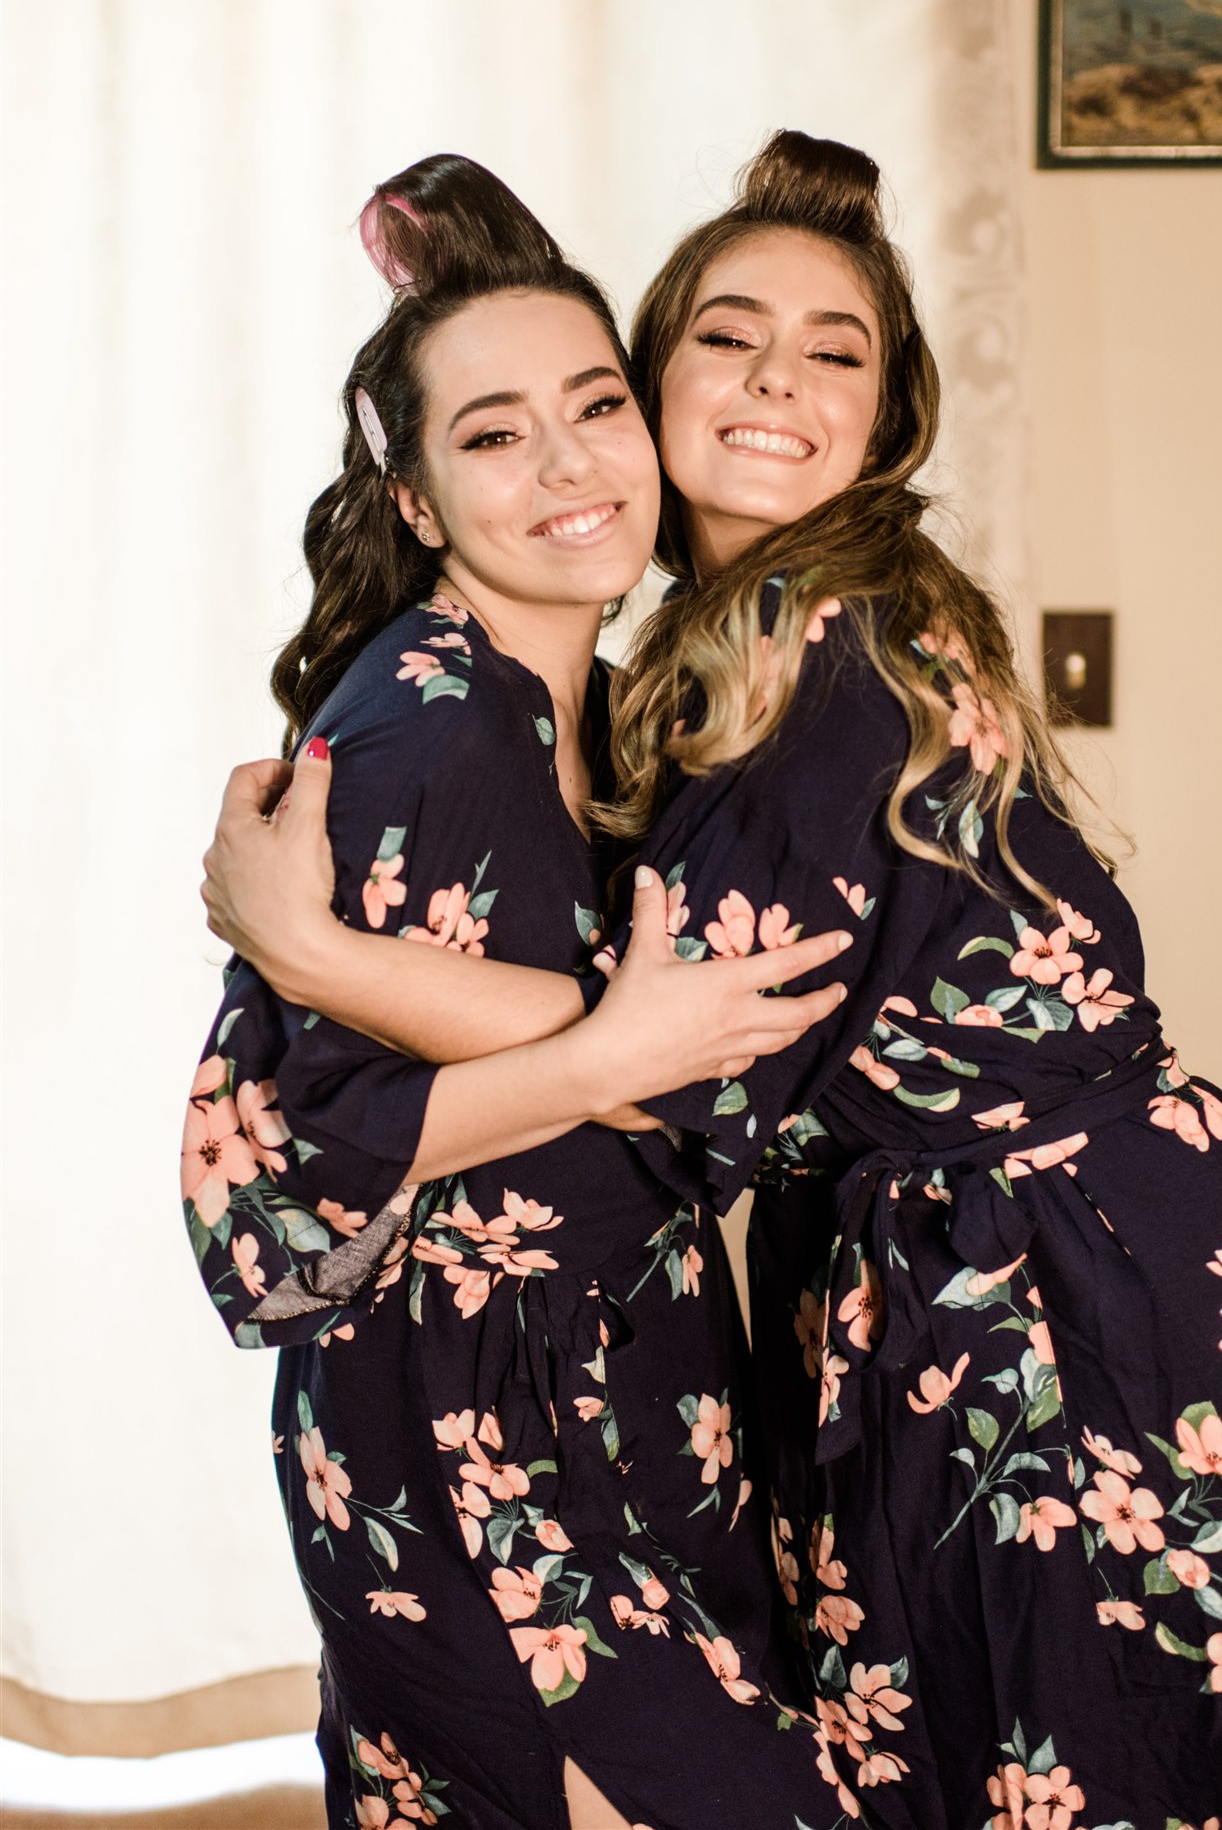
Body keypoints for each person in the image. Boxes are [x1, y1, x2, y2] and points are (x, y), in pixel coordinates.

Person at [203, 133, 1222, 1830]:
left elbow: (693, 1047)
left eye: (837, 353)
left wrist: (312, 950)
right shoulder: (626, 680)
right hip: (946, 1279)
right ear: (664, 375)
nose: (776, 382)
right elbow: (654, 1025)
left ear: (885, 423)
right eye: (728, 337)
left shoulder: (828, 640)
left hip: (1073, 1274)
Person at [182, 153, 870, 1830]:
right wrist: (623, 1048)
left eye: (596, 407)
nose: (570, 466)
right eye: (494, 436)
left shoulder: (607, 704)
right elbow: (329, 1130)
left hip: (622, 1377)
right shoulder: (433, 719)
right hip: (472, 1412)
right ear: (417, 501)